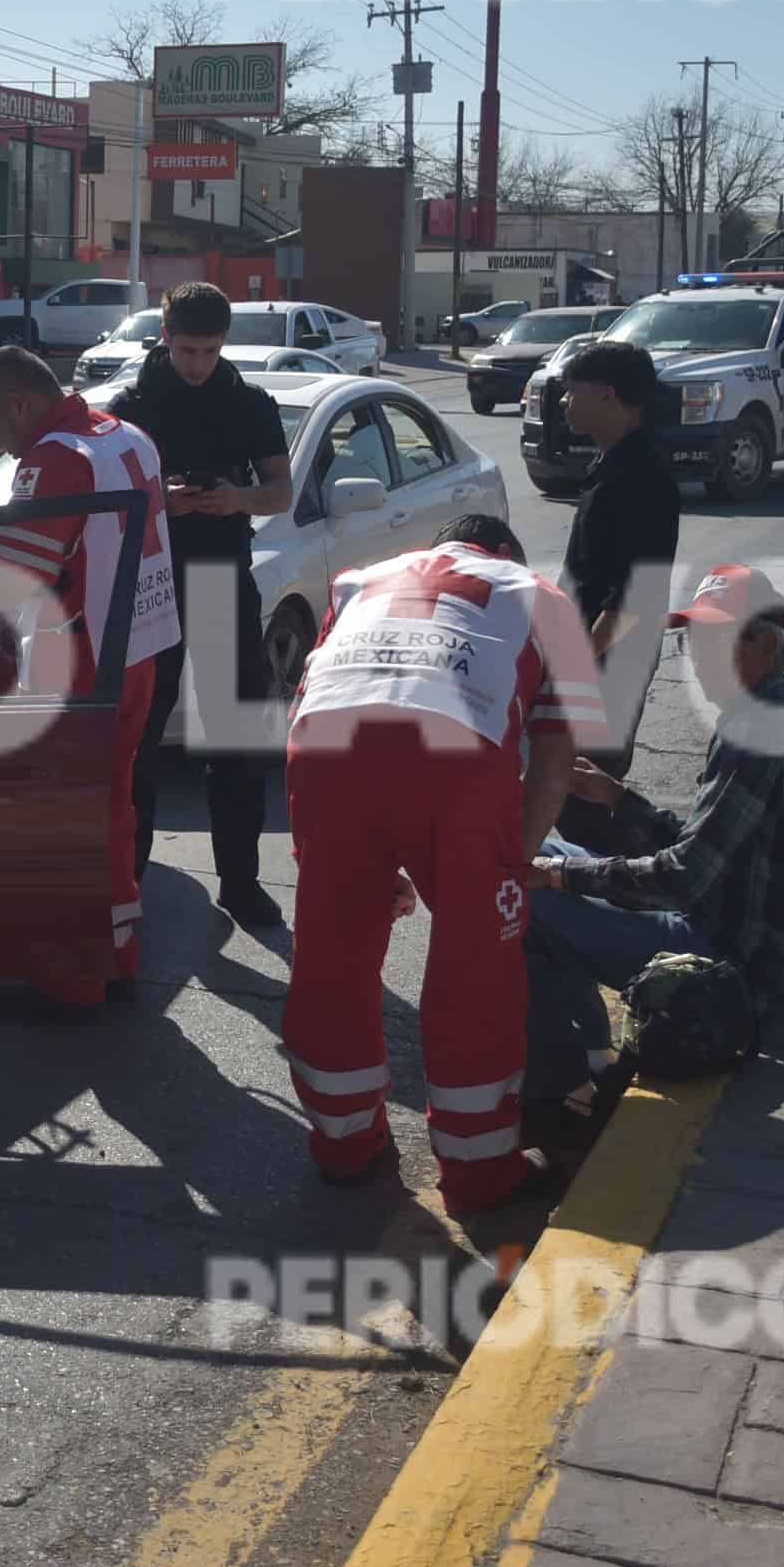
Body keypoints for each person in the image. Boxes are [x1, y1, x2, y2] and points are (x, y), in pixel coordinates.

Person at [284, 515, 604, 1209]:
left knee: (330, 957)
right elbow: (552, 765)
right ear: (507, 555)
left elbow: (318, 695)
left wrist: (374, 860)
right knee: (474, 974)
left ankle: (343, 1144)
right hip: (454, 766)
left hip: (322, 755)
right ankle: (480, 1170)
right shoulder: (544, 599)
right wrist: (506, 866)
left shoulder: (358, 581)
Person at [524, 564, 784, 1134]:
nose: (699, 658)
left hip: (734, 970)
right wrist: (618, 800)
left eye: (716, 641)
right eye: (693, 641)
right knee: (543, 853)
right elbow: (710, 851)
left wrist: (563, 877)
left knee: (528, 895)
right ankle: (594, 1062)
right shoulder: (763, 717)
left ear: (766, 646)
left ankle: (568, 1086)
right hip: (737, 934)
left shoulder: (758, 734)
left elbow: (681, 877)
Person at [0, 344, 179, 1024]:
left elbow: (13, 583)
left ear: (20, 403)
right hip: (139, 651)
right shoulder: (123, 435)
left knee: (63, 825)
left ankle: (70, 983)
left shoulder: (55, 458)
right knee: (109, 813)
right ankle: (118, 960)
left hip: (79, 667)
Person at [108, 282, 293, 928]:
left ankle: (239, 883)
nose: (199, 364)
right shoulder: (131, 406)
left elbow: (281, 492)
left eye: (211, 350)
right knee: (138, 742)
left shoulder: (246, 402)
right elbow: (108, 498)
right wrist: (165, 498)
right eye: (188, 349)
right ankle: (126, 883)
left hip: (220, 579)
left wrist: (236, 499)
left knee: (235, 741)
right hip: (150, 587)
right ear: (163, 338)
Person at [554, 338, 679, 779]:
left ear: (607, 394)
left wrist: (577, 670)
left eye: (573, 390)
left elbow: (628, 598)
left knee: (587, 786)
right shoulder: (609, 465)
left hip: (611, 664)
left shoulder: (642, 476)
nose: (565, 401)